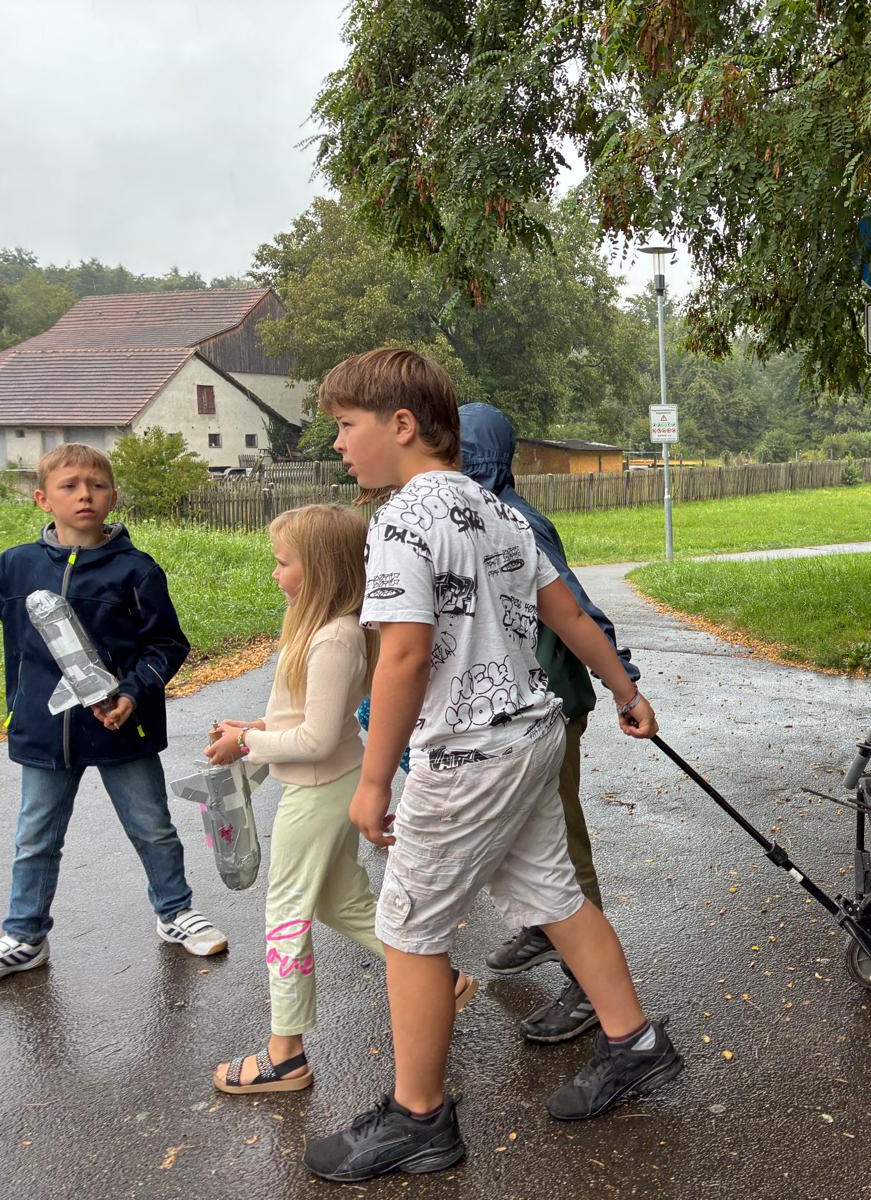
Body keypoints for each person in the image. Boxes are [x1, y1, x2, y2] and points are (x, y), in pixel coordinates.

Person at [304, 349, 680, 1183]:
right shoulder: (497, 510)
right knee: (554, 896)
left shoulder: (401, 521)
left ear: (402, 425)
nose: (338, 444)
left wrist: (375, 778)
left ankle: (419, 1118)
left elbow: (404, 658)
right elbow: (569, 615)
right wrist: (627, 691)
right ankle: (635, 1043)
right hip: (532, 737)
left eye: (346, 425)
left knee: (408, 929)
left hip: (468, 756)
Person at [203, 505, 477, 1095]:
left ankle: (285, 1054)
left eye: (283, 563)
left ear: (321, 568)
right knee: (339, 902)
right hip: (331, 782)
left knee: (286, 912)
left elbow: (316, 740)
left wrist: (246, 743)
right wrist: (255, 726)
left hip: (318, 791)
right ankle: (440, 980)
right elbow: (311, 719)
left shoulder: (333, 639)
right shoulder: (329, 630)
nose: (275, 573)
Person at [0, 443, 226, 985]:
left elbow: (167, 645)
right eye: (69, 486)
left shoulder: (137, 570)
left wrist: (133, 693)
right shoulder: (17, 567)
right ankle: (25, 936)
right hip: (44, 732)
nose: (84, 495)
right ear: (43, 498)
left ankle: (175, 912)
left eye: (96, 485)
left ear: (113, 496)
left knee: (153, 828)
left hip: (122, 727)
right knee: (35, 839)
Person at [459, 402, 639, 1043]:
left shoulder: (515, 523)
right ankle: (544, 926)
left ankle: (590, 986)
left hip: (550, 706)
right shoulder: (468, 517)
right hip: (506, 712)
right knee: (527, 835)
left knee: (561, 841)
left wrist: (624, 685)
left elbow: (576, 610)